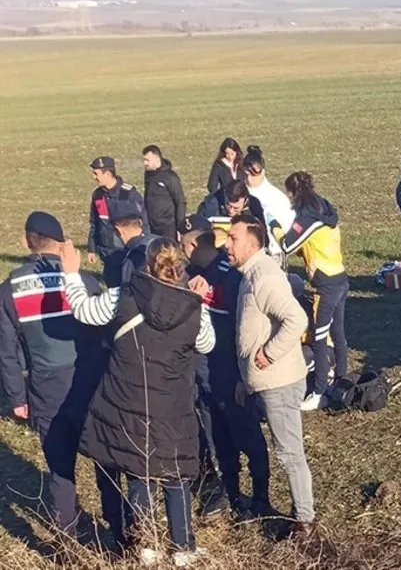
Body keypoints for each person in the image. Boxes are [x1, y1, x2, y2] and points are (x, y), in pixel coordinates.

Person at [61, 237, 215, 566]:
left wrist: (72, 274)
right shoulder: (192, 307)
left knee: (139, 471)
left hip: (130, 400)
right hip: (173, 405)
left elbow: (85, 311)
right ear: (180, 267)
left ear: (146, 264)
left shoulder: (123, 296)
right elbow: (207, 343)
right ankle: (183, 547)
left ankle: (146, 545)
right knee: (176, 474)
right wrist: (199, 301)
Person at [0, 213, 107, 539]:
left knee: (60, 466)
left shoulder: (9, 289)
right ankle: (121, 527)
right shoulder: (83, 280)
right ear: (62, 244)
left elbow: (6, 350)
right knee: (105, 459)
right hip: (89, 383)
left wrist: (16, 396)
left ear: (26, 242)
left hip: (46, 387)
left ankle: (67, 536)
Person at [224, 214, 319, 541]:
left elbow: (297, 320)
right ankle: (299, 513)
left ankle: (305, 522)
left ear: (253, 244)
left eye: (233, 238)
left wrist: (268, 354)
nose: (227, 244)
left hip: (279, 381)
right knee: (286, 450)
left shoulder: (264, 277)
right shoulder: (250, 274)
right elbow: (253, 330)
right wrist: (244, 377)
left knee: (290, 453)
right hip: (263, 380)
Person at [181, 216, 272, 520]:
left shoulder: (231, 276)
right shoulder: (193, 275)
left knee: (248, 435)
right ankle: (231, 495)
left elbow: (244, 330)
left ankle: (261, 498)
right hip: (203, 374)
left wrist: (242, 377)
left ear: (195, 244)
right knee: (217, 437)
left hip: (231, 374)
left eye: (184, 246)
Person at [278, 172, 349, 411]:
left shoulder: (306, 216)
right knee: (338, 334)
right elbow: (313, 242)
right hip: (340, 277)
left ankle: (319, 392)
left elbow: (287, 244)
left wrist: (276, 229)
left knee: (319, 338)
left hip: (325, 286)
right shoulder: (325, 207)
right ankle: (341, 379)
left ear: (293, 193)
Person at [87, 156, 149, 269]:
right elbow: (94, 222)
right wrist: (92, 248)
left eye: (96, 174)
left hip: (126, 252)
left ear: (107, 174)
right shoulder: (98, 195)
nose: (94, 177)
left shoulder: (129, 194)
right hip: (106, 253)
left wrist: (145, 246)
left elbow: (143, 221)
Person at [241, 145, 294, 263]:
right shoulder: (239, 192)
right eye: (246, 174)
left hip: (272, 253)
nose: (249, 179)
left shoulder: (276, 197)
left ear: (263, 172)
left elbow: (288, 226)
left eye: (253, 175)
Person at [102, 204, 159, 290]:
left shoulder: (129, 259)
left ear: (118, 230)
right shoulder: (163, 242)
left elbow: (125, 293)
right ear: (140, 222)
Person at [141, 145, 188, 241]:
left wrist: (180, 227)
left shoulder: (170, 177)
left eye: (147, 160)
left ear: (156, 158)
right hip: (151, 226)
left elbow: (180, 201)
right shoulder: (148, 175)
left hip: (168, 228)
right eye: (144, 160)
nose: (144, 163)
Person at [196, 180, 267, 233]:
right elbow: (198, 227)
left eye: (236, 208)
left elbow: (263, 234)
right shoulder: (212, 203)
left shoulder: (254, 206)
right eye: (228, 205)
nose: (231, 211)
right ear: (225, 195)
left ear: (245, 201)